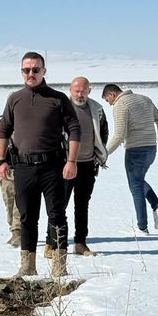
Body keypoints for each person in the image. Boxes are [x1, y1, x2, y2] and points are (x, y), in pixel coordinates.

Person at [0, 52, 80, 277]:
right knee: (26, 217)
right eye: (26, 70)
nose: (31, 74)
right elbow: (4, 129)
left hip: (53, 166)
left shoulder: (58, 98)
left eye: (35, 69)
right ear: (21, 72)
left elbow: (74, 129)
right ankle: (27, 266)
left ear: (44, 71)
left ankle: (59, 267)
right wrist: (2, 161)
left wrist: (71, 161)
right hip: (23, 167)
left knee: (57, 215)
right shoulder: (15, 98)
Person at [102, 84, 158, 233]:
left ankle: (142, 226)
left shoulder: (120, 104)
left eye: (108, 100)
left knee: (135, 186)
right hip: (151, 149)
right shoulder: (145, 99)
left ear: (112, 94)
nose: (110, 103)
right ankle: (157, 206)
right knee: (138, 181)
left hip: (135, 151)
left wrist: (103, 154)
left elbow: (119, 135)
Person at [64, 77, 109, 256]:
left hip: (87, 164)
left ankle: (80, 243)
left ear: (89, 91)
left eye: (83, 90)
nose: (80, 94)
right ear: (70, 90)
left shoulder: (96, 109)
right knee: (59, 206)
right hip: (65, 165)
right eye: (76, 90)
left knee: (82, 205)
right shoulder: (62, 107)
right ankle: (53, 244)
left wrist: (98, 154)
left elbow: (103, 132)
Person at [0, 115, 21, 247]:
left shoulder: (27, 121)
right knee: (9, 201)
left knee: (20, 200)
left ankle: (18, 231)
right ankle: (13, 229)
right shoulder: (0, 123)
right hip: (4, 168)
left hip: (22, 168)